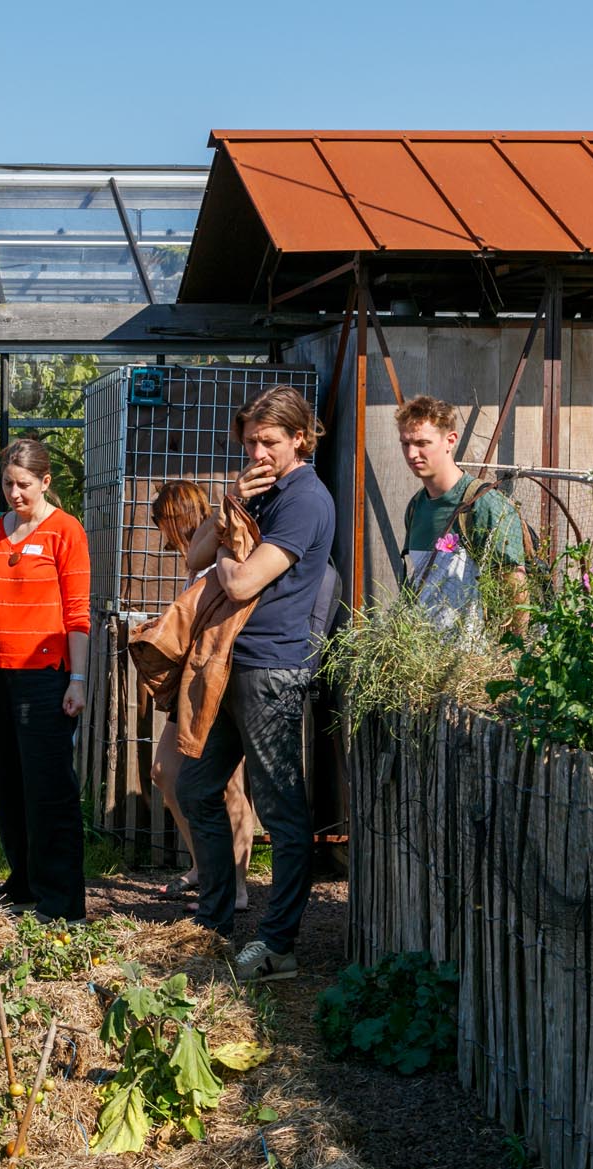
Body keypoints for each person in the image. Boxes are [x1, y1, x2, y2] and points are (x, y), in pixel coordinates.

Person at [172, 387, 334, 981]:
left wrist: (228, 559)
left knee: (282, 813)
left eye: (269, 442)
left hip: (271, 669)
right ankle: (214, 927)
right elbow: (195, 557)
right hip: (229, 663)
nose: (258, 453)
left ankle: (277, 946)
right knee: (196, 789)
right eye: (250, 443)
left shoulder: (305, 500)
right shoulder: (256, 492)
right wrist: (227, 509)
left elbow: (241, 585)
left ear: (299, 438)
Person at [0, 438, 91, 924]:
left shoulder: (65, 530)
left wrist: (78, 679)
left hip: (45, 675)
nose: (15, 493)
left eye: (24, 484)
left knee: (48, 789)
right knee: (8, 785)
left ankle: (62, 902)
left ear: (46, 482)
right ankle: (22, 882)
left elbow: (78, 614)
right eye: (7, 483)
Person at [147, 480, 256, 914]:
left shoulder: (220, 559)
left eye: (164, 525)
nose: (163, 537)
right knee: (164, 772)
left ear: (179, 520)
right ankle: (205, 866)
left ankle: (238, 886)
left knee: (227, 785)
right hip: (193, 682)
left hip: (217, 681)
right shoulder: (200, 563)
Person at [396, 395, 527, 628]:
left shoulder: (482, 504)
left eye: (422, 443)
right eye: (406, 443)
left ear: (450, 440)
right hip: (424, 655)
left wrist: (513, 654)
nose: (411, 454)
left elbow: (515, 587)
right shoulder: (416, 506)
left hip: (472, 658)